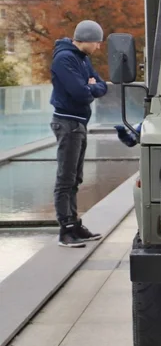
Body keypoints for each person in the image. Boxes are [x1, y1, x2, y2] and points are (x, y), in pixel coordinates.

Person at [50, 20, 108, 248]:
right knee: (66, 178)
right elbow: (80, 93)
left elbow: (101, 86)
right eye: (97, 42)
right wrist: (90, 87)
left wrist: (91, 86)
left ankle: (74, 224)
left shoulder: (82, 59)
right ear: (86, 39)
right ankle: (65, 230)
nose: (99, 47)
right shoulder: (65, 59)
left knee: (75, 177)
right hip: (67, 123)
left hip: (78, 123)